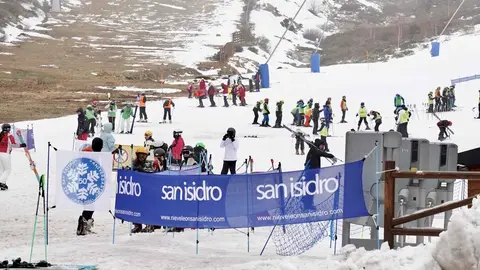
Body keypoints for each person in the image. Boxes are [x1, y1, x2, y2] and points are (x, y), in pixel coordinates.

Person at [76, 137, 103, 235]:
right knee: (89, 205)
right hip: (86, 183)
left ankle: (85, 225)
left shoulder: (95, 154)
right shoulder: (88, 155)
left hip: (92, 183)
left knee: (91, 205)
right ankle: (82, 226)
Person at [0, 124, 26, 190]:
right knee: (8, 169)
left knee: (2, 170)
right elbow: (13, 144)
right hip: (5, 154)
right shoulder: (9, 135)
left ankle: (3, 184)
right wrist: (21, 145)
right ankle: (2, 182)